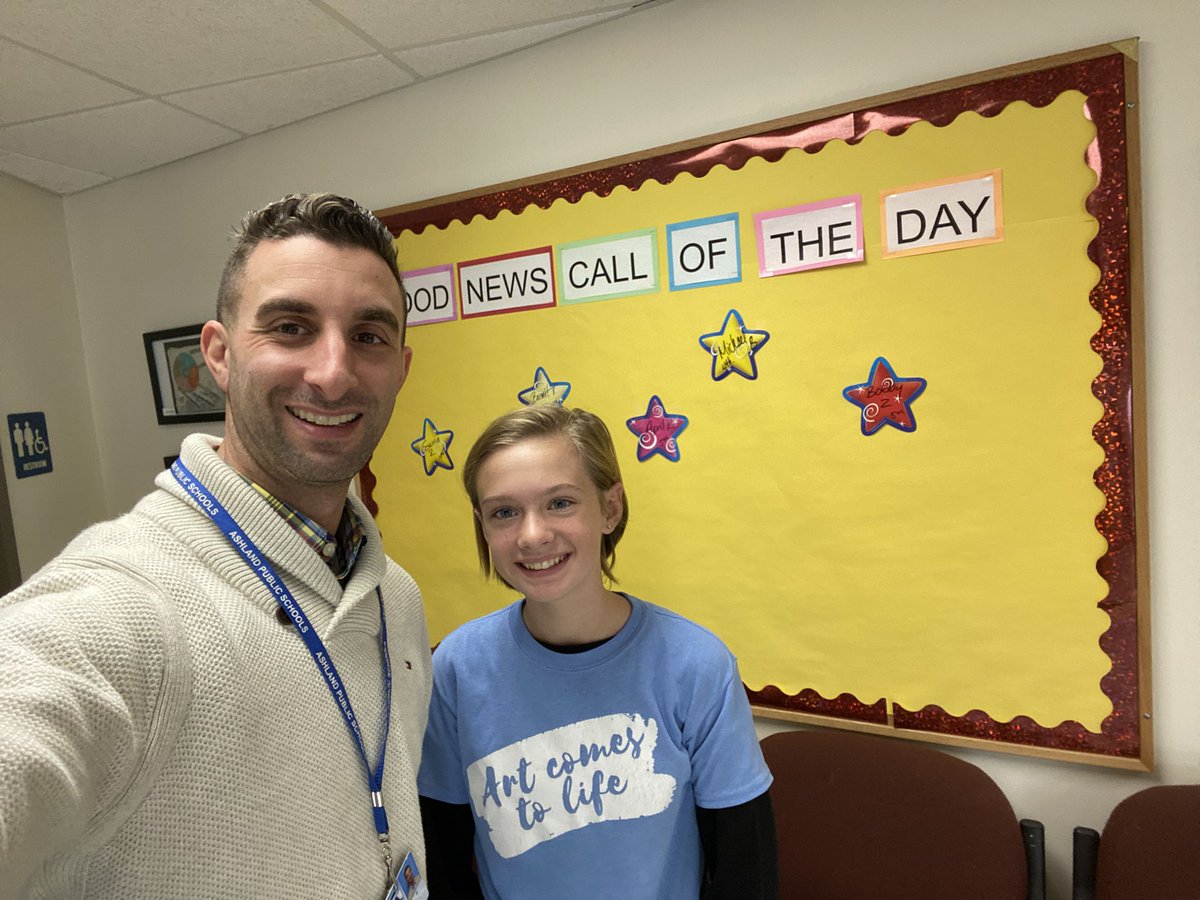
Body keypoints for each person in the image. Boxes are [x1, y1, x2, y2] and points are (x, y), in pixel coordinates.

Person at [0, 193, 432, 899]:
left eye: (368, 336)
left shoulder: (396, 596)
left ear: (402, 367)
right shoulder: (124, 606)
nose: (333, 372)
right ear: (219, 356)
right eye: (290, 328)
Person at [418, 404, 778, 899]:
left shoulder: (697, 666)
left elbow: (746, 872)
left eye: (560, 503)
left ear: (610, 509)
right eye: (504, 512)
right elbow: (441, 856)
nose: (532, 535)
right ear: (483, 526)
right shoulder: (457, 667)